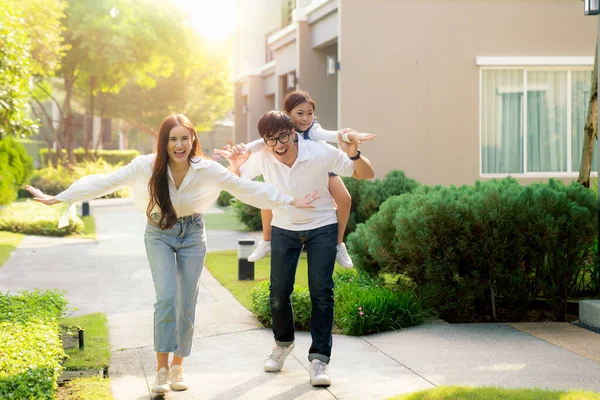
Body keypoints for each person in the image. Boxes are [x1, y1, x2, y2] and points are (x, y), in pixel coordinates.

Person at [25, 114, 320, 394]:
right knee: (166, 298)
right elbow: (103, 182)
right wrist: (61, 197)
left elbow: (246, 188)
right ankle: (161, 371)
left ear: (193, 140)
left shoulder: (207, 169)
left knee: (186, 302)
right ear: (164, 142)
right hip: (159, 233)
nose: (179, 145)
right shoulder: (145, 166)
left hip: (193, 234)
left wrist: (290, 201)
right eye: (172, 139)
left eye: (185, 139)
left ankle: (178, 366)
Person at [217, 110, 374, 386]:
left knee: (321, 291)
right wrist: (236, 164)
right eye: (270, 140)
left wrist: (354, 153)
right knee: (278, 292)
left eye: (283, 137)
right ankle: (283, 344)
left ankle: (319, 360)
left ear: (293, 133)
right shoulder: (264, 157)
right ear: (264, 141)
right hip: (284, 229)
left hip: (322, 226)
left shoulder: (319, 152)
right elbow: (236, 184)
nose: (278, 146)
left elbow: (365, 174)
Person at [241, 90, 375, 268]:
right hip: (291, 170)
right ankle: (266, 241)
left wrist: (351, 136)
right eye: (300, 113)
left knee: (344, 198)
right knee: (270, 199)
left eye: (310, 113)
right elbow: (260, 143)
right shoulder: (279, 129)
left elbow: (331, 135)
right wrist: (240, 151)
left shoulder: (313, 128)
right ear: (287, 114)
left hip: (320, 165)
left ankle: (338, 244)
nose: (305, 118)